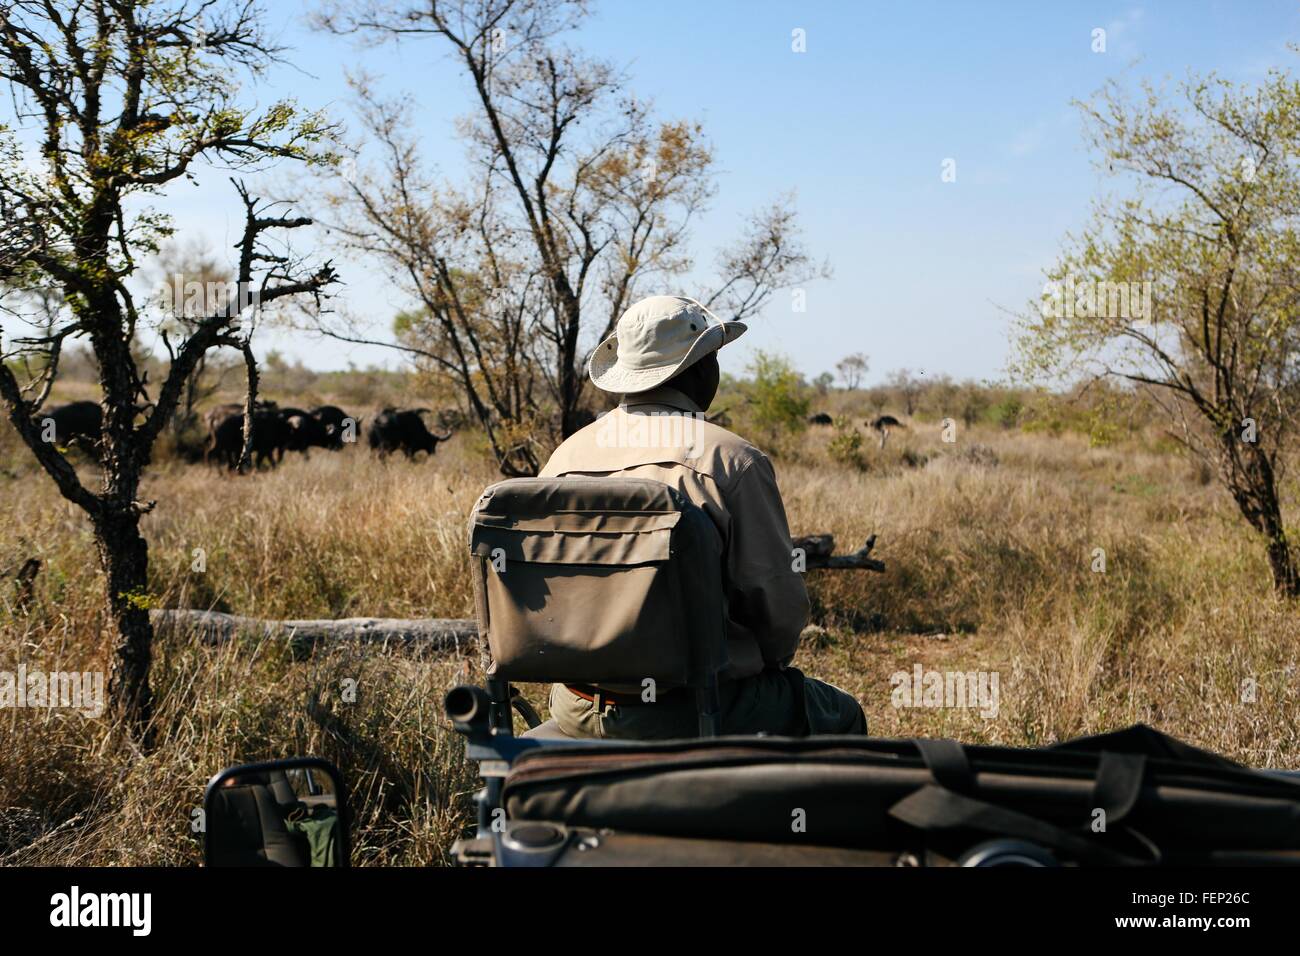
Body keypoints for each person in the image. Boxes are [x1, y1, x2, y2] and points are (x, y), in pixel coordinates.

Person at [539, 294, 867, 739]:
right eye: (713, 357)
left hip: (575, 704)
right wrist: (761, 664)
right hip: (697, 706)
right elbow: (778, 610)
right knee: (842, 713)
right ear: (698, 369)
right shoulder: (730, 460)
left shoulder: (564, 457)